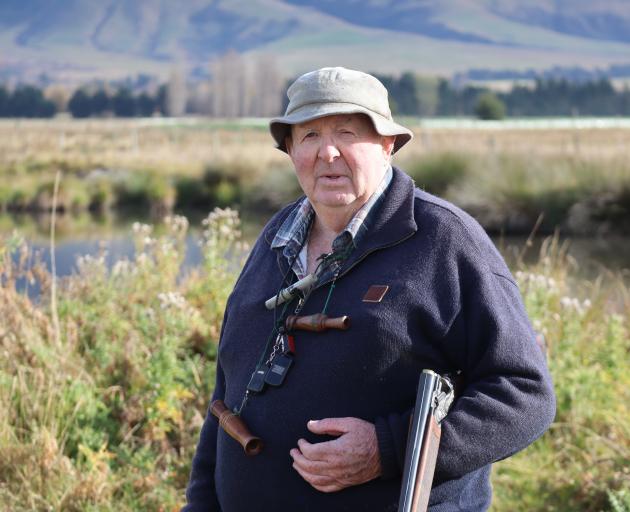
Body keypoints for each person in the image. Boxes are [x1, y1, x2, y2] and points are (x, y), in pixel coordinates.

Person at [183, 67, 556, 512]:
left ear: (387, 145)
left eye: (348, 133)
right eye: (309, 136)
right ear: (289, 149)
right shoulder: (275, 237)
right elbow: (226, 395)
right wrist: (201, 503)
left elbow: (524, 393)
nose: (329, 152)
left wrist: (387, 450)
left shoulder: (445, 240)